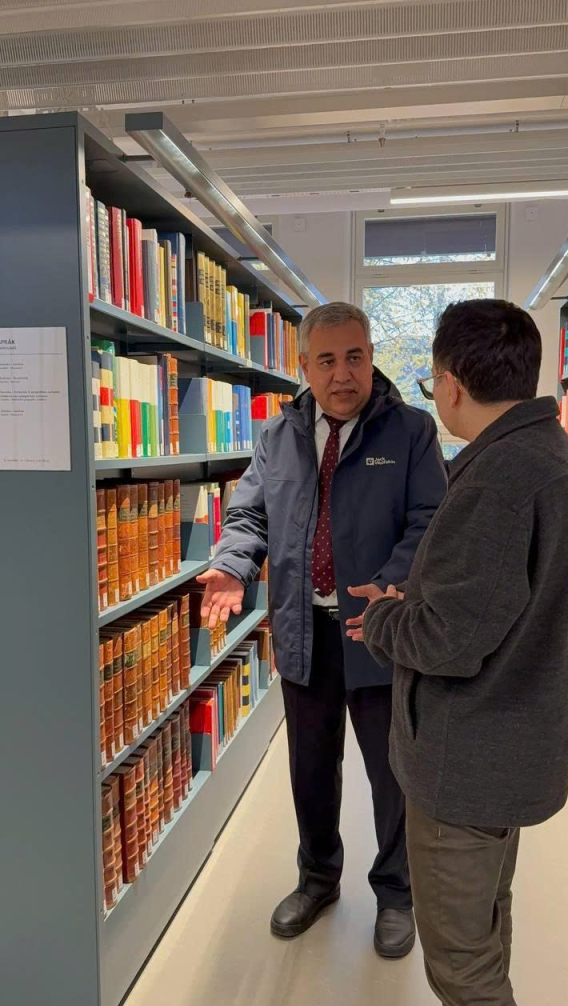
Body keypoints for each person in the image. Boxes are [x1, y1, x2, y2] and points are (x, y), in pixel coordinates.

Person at [348, 299, 568, 1006]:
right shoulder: (552, 455)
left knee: (463, 967)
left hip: (465, 761)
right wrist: (417, 596)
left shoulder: (497, 479)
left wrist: (382, 618)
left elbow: (449, 640)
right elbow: (501, 600)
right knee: (484, 923)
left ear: (449, 384)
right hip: (513, 744)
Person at [198, 301, 446, 957]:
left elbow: (430, 519)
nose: (343, 374)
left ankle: (396, 894)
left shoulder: (411, 432)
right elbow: (248, 516)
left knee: (393, 775)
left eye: (355, 357)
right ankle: (317, 880)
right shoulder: (277, 437)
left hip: (378, 632)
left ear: (372, 358)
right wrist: (232, 565)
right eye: (328, 360)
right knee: (310, 769)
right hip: (302, 630)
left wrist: (391, 582)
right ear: (304, 365)